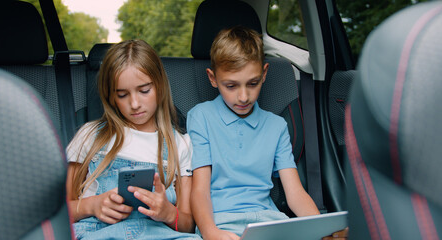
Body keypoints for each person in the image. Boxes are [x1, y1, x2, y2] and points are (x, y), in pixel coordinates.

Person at [187, 26, 321, 240]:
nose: (243, 97)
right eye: (231, 86)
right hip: (221, 222)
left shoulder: (276, 126)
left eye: (253, 83)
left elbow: (295, 194)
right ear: (212, 78)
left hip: (269, 222)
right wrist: (210, 231)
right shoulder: (201, 117)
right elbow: (200, 190)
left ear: (264, 73)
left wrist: (320, 230)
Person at [66, 39, 201, 240]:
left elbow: (188, 224)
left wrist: (167, 212)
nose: (135, 103)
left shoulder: (180, 145)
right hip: (99, 233)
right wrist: (92, 205)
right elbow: (60, 212)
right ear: (111, 97)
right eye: (122, 95)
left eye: (144, 91)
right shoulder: (90, 135)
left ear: (160, 86)